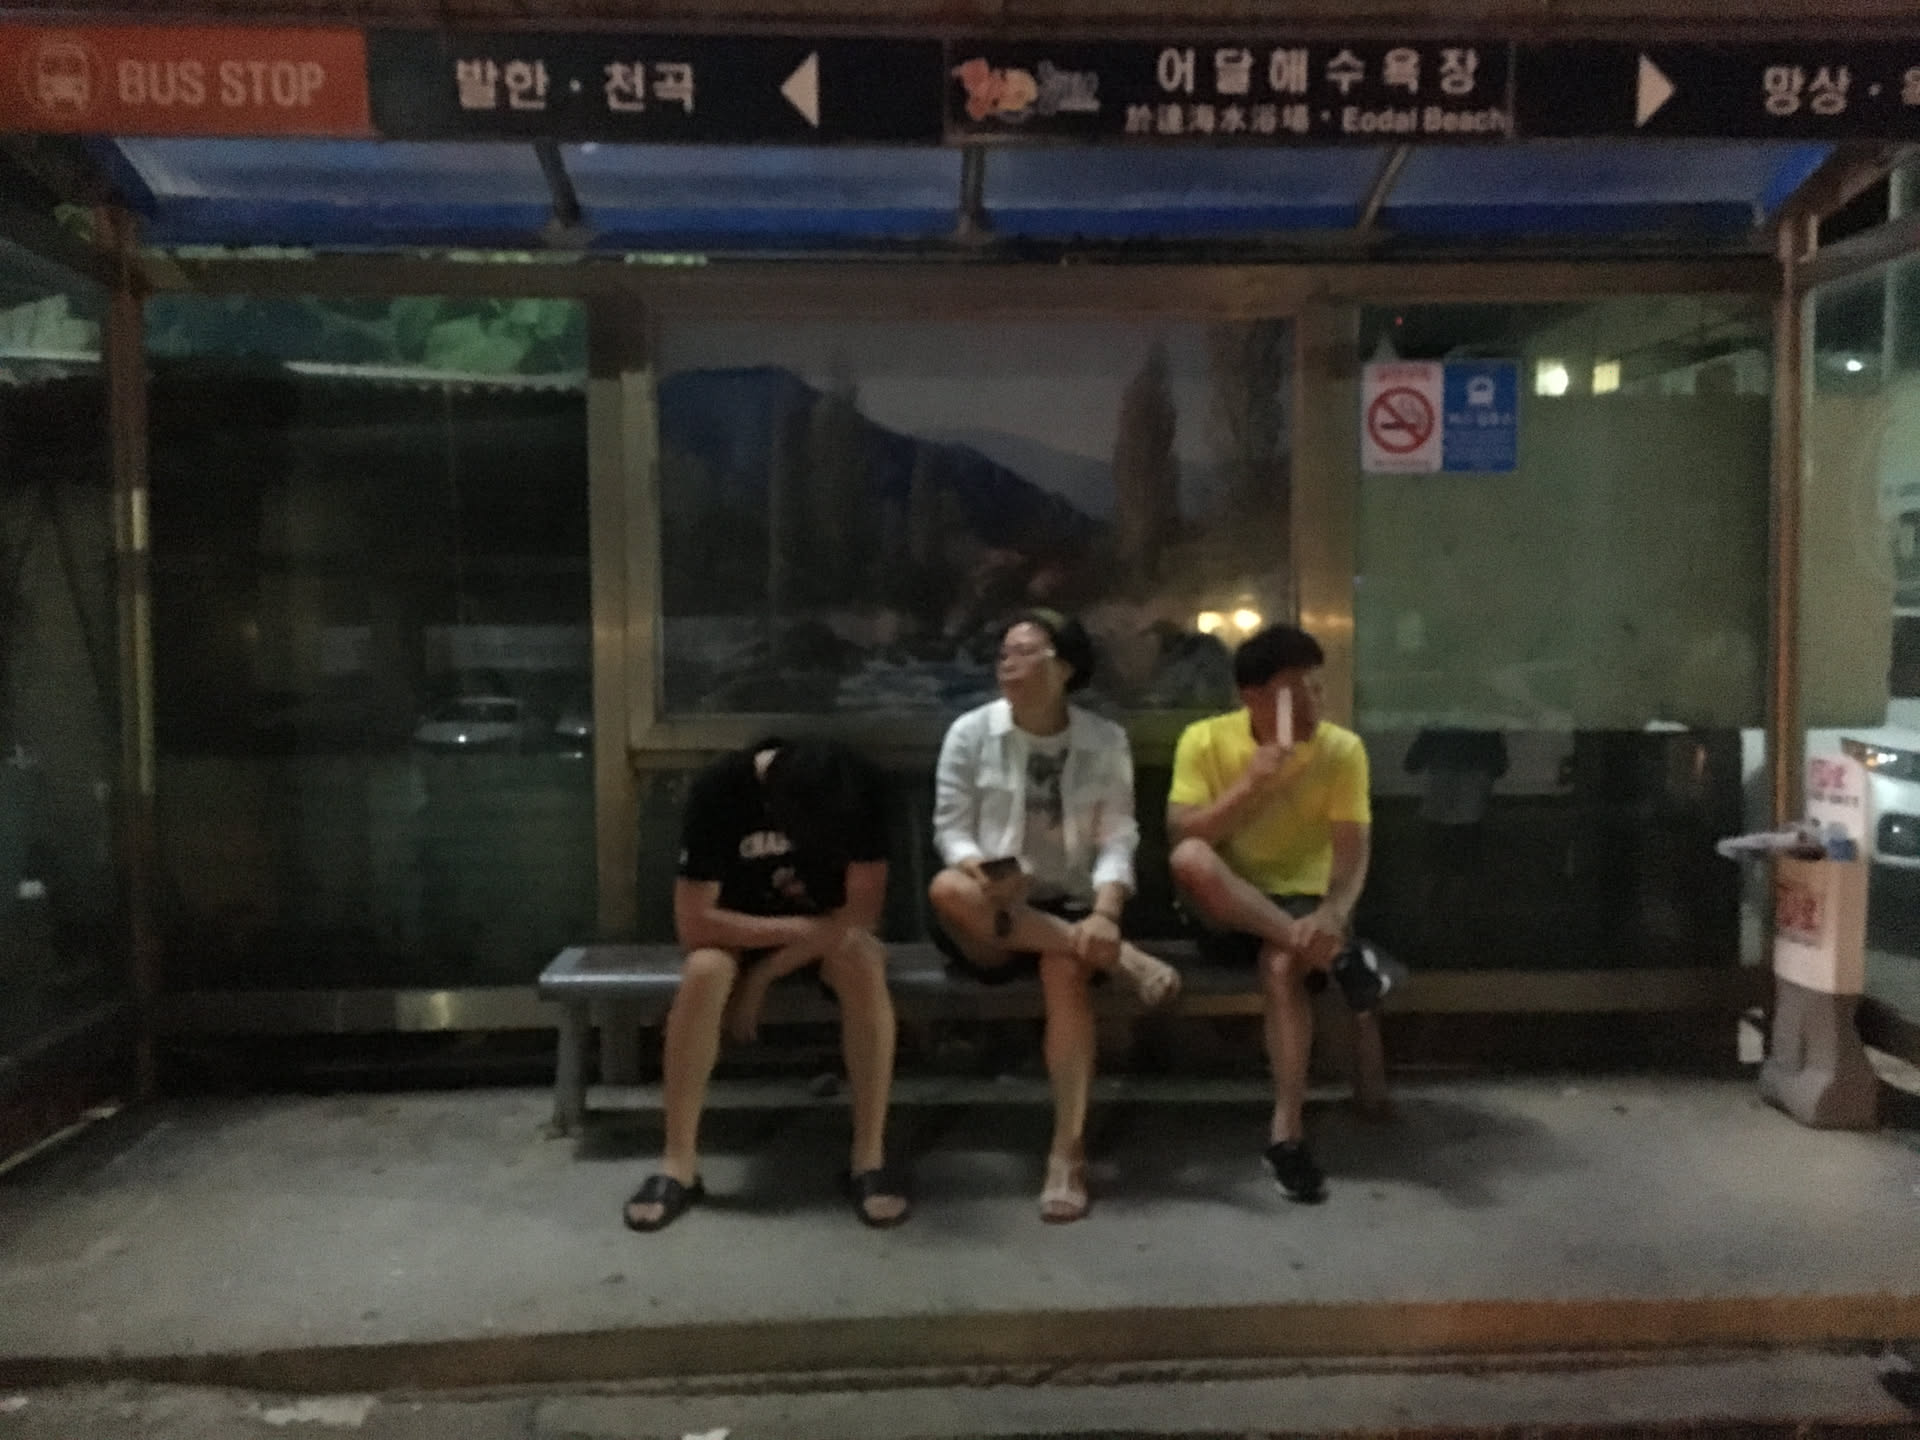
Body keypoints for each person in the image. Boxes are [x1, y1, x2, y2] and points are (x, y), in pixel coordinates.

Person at [928, 610, 1182, 1223]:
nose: (1007, 663)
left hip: (1068, 904)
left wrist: (1107, 912)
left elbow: (1119, 836)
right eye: (1003, 652)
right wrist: (986, 872)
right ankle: (1124, 960)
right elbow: (950, 832)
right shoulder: (971, 732)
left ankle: (1067, 1153)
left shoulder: (1104, 740)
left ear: (1064, 667)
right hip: (991, 907)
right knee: (945, 888)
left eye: (1025, 651)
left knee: (1065, 970)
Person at [623, 738, 908, 1232]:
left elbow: (860, 915)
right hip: (740, 931)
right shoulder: (721, 790)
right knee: (704, 972)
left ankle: (868, 1159)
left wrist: (765, 976)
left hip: (828, 934)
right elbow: (694, 923)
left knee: (863, 961)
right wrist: (792, 936)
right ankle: (678, 1163)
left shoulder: (859, 786)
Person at [1166, 623, 1395, 1205]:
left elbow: (1352, 850)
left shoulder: (1342, 750)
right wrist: (1252, 783)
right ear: (1253, 696)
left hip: (1303, 904)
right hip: (1224, 903)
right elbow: (1183, 834)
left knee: (1281, 966)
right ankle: (1341, 962)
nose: (1314, 702)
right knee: (1191, 858)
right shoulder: (1204, 740)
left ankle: (1286, 1135)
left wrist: (1334, 913)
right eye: (1297, 691)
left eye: (1317, 687)